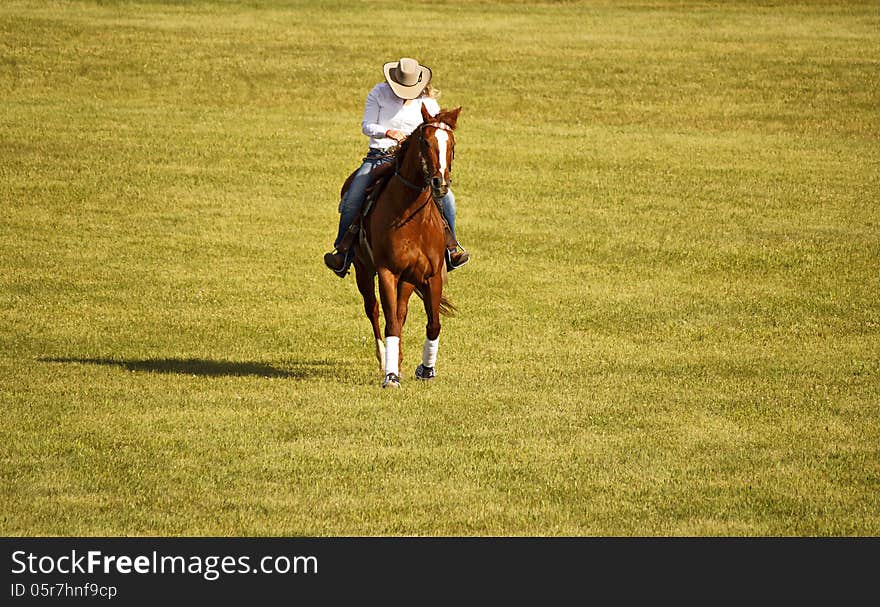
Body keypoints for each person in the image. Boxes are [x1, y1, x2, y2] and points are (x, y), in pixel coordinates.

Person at [323, 57, 469, 277]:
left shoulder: (428, 102)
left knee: (448, 199)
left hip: (415, 162)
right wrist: (388, 132)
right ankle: (343, 250)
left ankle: (451, 248)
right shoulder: (379, 93)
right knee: (354, 196)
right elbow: (367, 125)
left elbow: (437, 129)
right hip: (380, 156)